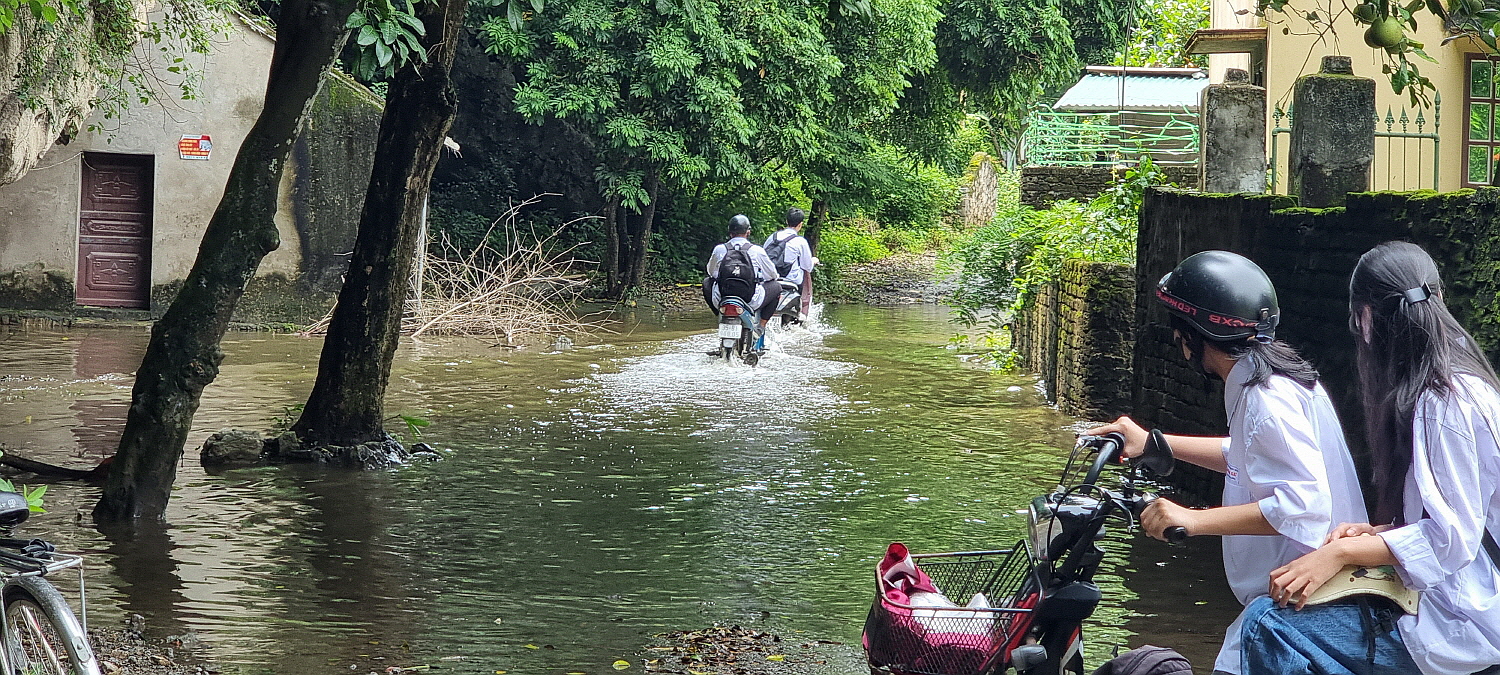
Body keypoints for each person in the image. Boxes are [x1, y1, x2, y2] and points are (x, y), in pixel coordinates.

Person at [1085, 250, 1365, 675]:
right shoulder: (1272, 380)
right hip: (1291, 604)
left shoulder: (1266, 399)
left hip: (1299, 611)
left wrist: (1193, 519)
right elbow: (1246, 456)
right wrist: (1154, 443)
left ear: (1191, 335)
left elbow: (1303, 504)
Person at [1240, 241, 1500, 675]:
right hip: (1460, 599)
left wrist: (1339, 555)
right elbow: (1460, 516)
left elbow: (1450, 539)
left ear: (1365, 318)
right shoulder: (1461, 386)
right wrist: (1378, 533)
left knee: (1267, 624)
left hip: (1470, 620)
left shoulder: (1443, 401)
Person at [703, 214, 782, 346]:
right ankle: (760, 327)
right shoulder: (757, 251)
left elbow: (711, 273)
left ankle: (721, 316)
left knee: (706, 282)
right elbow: (772, 276)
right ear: (748, 232)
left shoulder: (719, 249)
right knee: (777, 287)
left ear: (730, 232)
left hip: (723, 298)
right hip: (750, 300)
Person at [763, 208, 817, 319]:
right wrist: (814, 261)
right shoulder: (800, 242)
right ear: (800, 224)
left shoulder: (772, 237)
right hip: (791, 282)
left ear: (787, 221)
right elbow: (807, 266)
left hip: (771, 280)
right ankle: (801, 312)